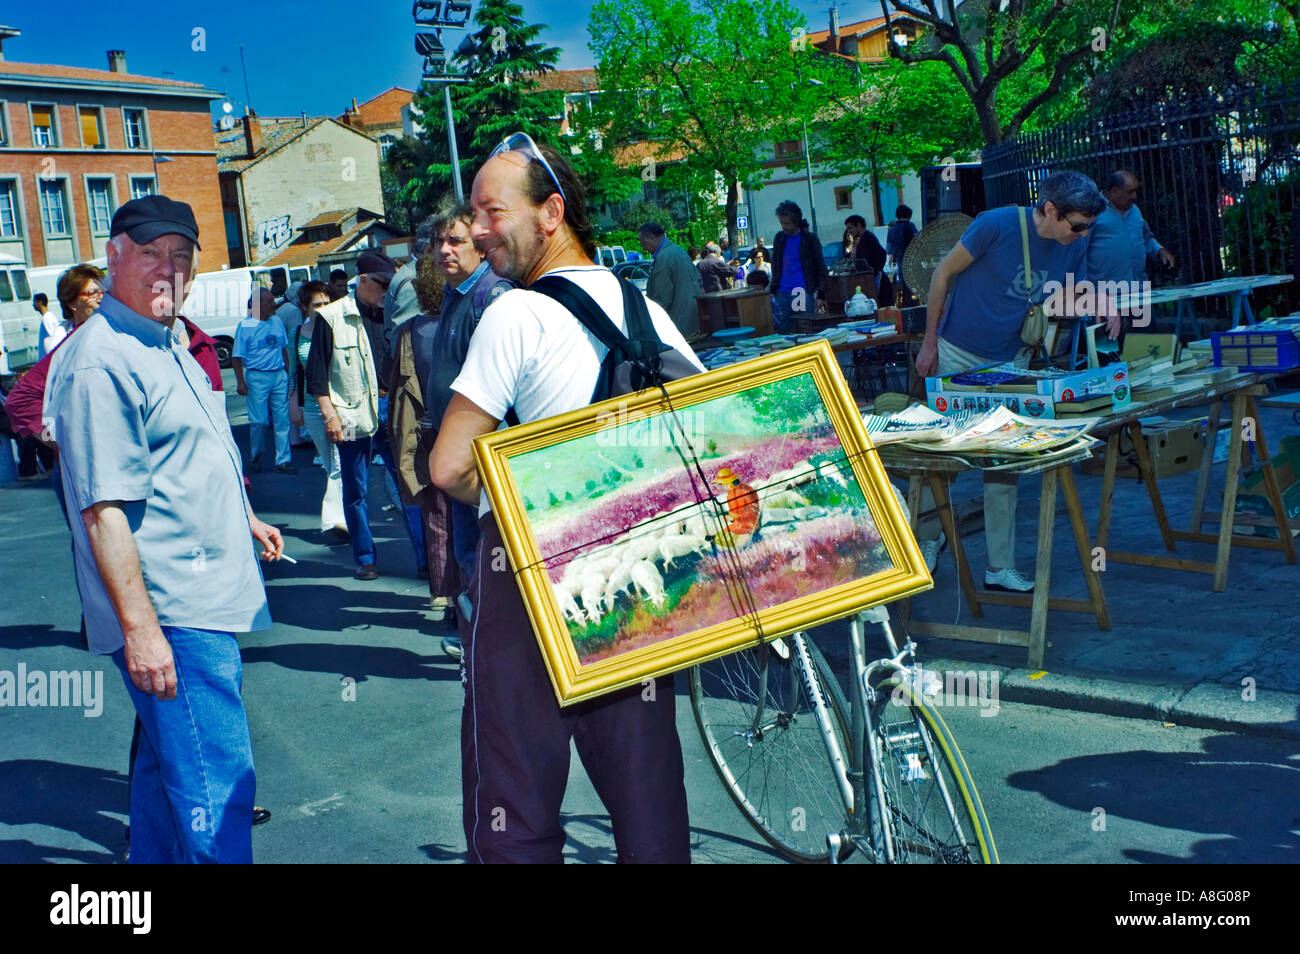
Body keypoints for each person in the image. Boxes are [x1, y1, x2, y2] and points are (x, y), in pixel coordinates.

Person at [431, 132, 701, 864]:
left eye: (492, 212)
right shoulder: (645, 308)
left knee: (513, 788)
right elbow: (701, 435)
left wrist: (547, 480)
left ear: (551, 213)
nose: (479, 230)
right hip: (636, 569)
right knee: (645, 780)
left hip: (527, 567)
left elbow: (450, 467)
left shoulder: (514, 314)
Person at [43, 194, 283, 863]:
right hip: (176, 613)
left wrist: (245, 520)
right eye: (150, 252)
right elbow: (103, 511)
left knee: (164, 776)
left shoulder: (163, 339)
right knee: (218, 792)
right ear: (113, 255)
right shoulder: (102, 358)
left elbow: (187, 455)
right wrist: (143, 633)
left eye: (181, 255)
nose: (166, 269)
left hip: (192, 599)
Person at [916, 170, 1116, 593]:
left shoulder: (1072, 241)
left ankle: (999, 567)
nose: (1082, 235)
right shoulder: (996, 223)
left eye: (1089, 227)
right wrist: (929, 342)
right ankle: (927, 542)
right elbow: (942, 275)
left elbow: (1072, 291)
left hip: (1010, 359)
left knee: (1004, 461)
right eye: (1077, 225)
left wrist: (1102, 303)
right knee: (941, 460)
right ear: (1049, 210)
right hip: (956, 352)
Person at [419, 201, 513, 643]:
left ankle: (494, 642)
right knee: (468, 549)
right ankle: (483, 636)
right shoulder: (457, 297)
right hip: (461, 451)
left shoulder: (491, 297)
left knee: (485, 549)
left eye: (454, 240)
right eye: (438, 242)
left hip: (483, 456)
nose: (444, 250)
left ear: (478, 245)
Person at [307, 251, 390, 580]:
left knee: (409, 486)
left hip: (390, 409)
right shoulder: (331, 318)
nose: (386, 291)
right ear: (364, 281)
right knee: (356, 490)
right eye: (381, 284)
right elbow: (316, 377)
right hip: (353, 415)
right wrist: (330, 417)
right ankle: (366, 557)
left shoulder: (392, 312)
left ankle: (428, 562)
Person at [289, 280, 348, 538]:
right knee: (329, 463)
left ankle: (336, 518)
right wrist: (294, 405)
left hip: (340, 407)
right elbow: (294, 370)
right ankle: (346, 514)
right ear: (305, 308)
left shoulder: (338, 329)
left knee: (340, 463)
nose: (323, 308)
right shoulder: (296, 334)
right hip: (312, 410)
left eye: (327, 303)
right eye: (317, 305)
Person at [232, 288, 296, 474]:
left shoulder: (276, 321)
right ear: (258, 305)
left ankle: (283, 460)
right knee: (259, 420)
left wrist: (288, 370)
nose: (274, 306)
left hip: (278, 375)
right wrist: (240, 382)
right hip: (257, 377)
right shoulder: (246, 326)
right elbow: (237, 356)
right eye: (270, 302)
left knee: (282, 419)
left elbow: (283, 348)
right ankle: (256, 452)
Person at [1088, 169, 1176, 286]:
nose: (1134, 196)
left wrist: (1159, 250)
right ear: (1114, 191)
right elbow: (1079, 249)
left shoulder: (1134, 211)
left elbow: (1146, 237)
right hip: (1105, 291)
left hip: (1138, 288)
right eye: (1129, 192)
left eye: (1136, 191)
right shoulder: (1093, 211)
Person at [768, 200, 828, 333]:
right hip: (782, 291)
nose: (783, 226)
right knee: (781, 331)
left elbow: (821, 266)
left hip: (800, 291)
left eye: (787, 223)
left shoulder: (809, 239)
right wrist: (774, 288)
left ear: (796, 221)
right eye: (782, 223)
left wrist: (821, 293)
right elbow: (776, 264)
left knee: (804, 330)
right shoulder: (779, 238)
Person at [638, 221, 703, 340]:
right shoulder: (678, 250)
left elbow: (661, 299)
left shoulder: (664, 257)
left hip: (679, 324)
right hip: (693, 318)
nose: (643, 248)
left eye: (643, 243)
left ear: (651, 237)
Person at [383, 216, 437, 351]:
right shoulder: (412, 283)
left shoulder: (412, 275)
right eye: (442, 244)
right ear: (428, 250)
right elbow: (403, 343)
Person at [886, 205, 919, 305]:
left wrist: (891, 261)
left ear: (897, 215)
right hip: (914, 261)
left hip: (901, 263)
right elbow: (918, 242)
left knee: (904, 288)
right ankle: (916, 305)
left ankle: (906, 307)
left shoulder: (892, 229)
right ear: (909, 216)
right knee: (915, 286)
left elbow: (889, 249)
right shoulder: (911, 226)